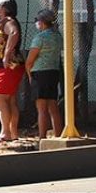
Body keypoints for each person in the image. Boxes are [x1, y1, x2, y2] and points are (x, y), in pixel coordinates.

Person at [0, 0, 24, 143]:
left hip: (8, 67)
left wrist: (7, 55)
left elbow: (14, 34)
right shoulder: (4, 23)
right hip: (6, 68)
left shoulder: (9, 22)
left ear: (5, 8)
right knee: (9, 100)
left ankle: (5, 133)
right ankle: (13, 133)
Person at [26, 8, 64, 141]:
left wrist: (30, 75)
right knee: (53, 106)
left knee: (41, 108)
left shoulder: (39, 38)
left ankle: (42, 137)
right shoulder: (58, 36)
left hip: (40, 73)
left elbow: (30, 60)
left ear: (41, 22)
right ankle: (58, 135)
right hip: (53, 72)